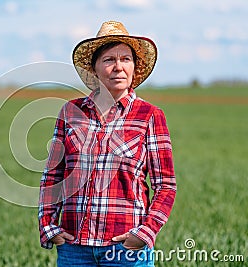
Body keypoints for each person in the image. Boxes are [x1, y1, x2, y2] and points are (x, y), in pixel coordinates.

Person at [38, 20, 177, 266]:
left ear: (135, 67)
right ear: (95, 68)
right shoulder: (70, 112)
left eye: (125, 59)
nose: (118, 67)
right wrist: (48, 225)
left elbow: (165, 185)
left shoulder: (150, 116)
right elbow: (53, 176)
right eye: (109, 60)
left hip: (126, 248)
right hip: (74, 249)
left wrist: (145, 233)